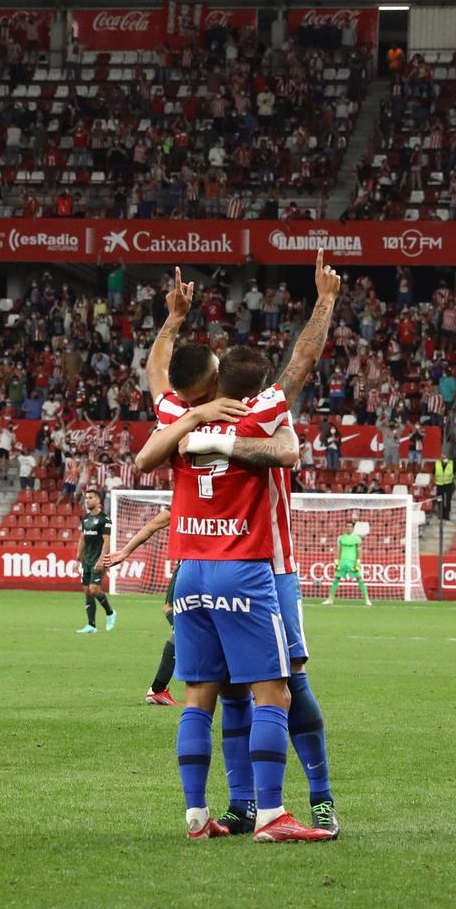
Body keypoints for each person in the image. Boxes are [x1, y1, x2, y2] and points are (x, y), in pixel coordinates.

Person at [137, 282, 333, 844]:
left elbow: (157, 376)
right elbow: (303, 361)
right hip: (248, 567)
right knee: (277, 690)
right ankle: (272, 813)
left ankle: (199, 817)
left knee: (201, 695)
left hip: (189, 571)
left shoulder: (177, 417)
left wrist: (172, 321)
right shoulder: (256, 415)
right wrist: (323, 300)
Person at [96, 508, 178, 706]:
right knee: (193, 627)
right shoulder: (189, 502)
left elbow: (152, 525)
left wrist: (125, 551)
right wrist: (124, 551)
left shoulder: (185, 502)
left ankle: (158, 689)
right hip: (200, 569)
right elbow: (153, 525)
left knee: (180, 621)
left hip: (192, 569)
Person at [75, 493, 117, 633]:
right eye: (86, 498)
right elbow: (82, 540)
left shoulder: (104, 520)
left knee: (94, 590)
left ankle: (110, 613)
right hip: (87, 560)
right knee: (87, 591)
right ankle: (91, 625)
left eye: (91, 497)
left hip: (99, 559)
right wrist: (77, 558)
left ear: (98, 500)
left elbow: (107, 541)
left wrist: (101, 559)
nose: (87, 500)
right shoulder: (85, 519)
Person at [323, 529, 372, 606]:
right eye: (347, 526)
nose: (348, 528)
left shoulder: (357, 538)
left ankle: (367, 599)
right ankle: (330, 599)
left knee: (359, 579)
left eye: (350, 526)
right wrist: (336, 560)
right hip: (342, 562)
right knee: (336, 579)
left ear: (352, 528)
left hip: (352, 562)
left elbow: (359, 550)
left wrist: (358, 561)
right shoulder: (341, 538)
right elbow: (338, 549)